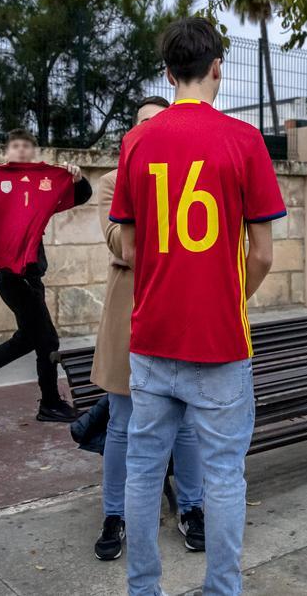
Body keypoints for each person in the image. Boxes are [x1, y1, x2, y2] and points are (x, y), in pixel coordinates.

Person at [110, 17, 285, 596]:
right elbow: (261, 254)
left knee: (141, 472)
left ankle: (143, 590)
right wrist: (227, 296)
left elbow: (129, 243)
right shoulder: (244, 141)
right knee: (223, 478)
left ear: (167, 72)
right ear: (217, 68)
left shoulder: (136, 142)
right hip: (220, 342)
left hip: (152, 340)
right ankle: (221, 590)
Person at [91, 96, 206, 561]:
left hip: (180, 313)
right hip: (131, 313)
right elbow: (122, 244)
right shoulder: (112, 183)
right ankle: (114, 515)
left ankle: (192, 508)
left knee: (186, 425)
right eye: (144, 126)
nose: (153, 132)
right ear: (131, 136)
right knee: (121, 423)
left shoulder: (192, 177)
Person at [0, 128, 92, 422]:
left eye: (26, 146)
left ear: (33, 152)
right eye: (15, 146)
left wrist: (78, 177)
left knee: (33, 339)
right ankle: (47, 403)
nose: (21, 150)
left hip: (32, 278)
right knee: (47, 340)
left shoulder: (40, 190)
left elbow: (81, 196)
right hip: (13, 279)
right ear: (7, 151)